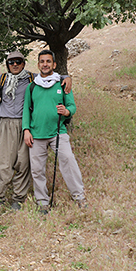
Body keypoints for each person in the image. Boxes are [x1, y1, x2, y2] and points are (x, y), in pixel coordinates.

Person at [0, 51, 72, 213]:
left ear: (24, 63)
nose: (15, 64)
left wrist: (67, 77)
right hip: (6, 124)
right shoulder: (2, 79)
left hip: (27, 125)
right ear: (7, 65)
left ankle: (18, 198)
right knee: (3, 162)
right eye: (11, 62)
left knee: (24, 163)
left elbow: (51, 76)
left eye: (18, 61)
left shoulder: (32, 79)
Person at [22, 50, 87, 214]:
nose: (45, 64)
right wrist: (26, 130)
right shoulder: (32, 86)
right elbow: (26, 111)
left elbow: (72, 106)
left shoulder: (62, 84)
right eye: (42, 61)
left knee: (68, 161)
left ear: (54, 64)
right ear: (38, 65)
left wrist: (66, 112)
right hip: (36, 134)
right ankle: (42, 202)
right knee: (37, 170)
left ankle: (79, 197)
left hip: (58, 132)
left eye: (48, 61)